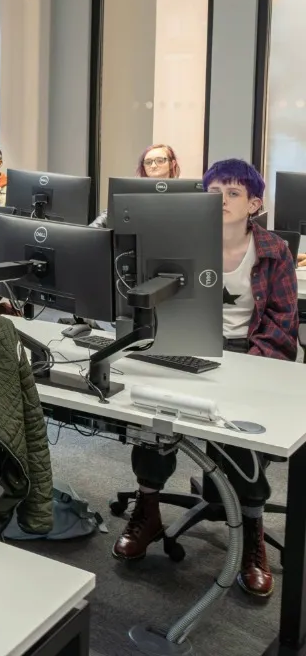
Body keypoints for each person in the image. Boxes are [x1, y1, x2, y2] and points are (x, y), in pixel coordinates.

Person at [112, 159, 298, 598]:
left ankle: (252, 531)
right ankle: (149, 507)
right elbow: (153, 305)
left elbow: (283, 324)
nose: (221, 200)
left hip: (247, 352)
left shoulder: (274, 251)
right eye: (213, 191)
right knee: (150, 417)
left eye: (233, 193)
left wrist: (249, 367)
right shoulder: (182, 242)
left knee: (241, 438)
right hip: (188, 346)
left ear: (254, 203)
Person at [90, 143, 182, 228]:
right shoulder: (133, 191)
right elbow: (110, 214)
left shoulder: (182, 193)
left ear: (171, 164)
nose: (153, 166)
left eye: (160, 160)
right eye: (148, 162)